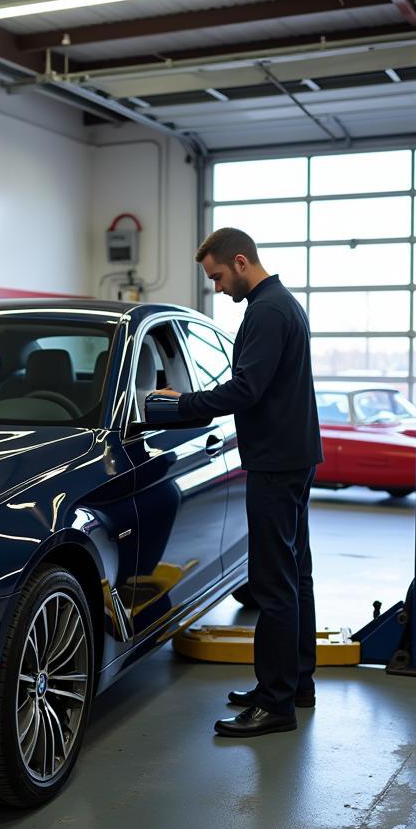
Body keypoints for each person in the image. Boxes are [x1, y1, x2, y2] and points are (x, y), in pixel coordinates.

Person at [153, 227, 323, 738]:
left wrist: (179, 405)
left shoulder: (268, 311)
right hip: (291, 456)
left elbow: (246, 389)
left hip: (275, 462)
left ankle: (275, 704)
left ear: (242, 261)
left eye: (219, 276)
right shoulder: (282, 305)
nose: (219, 288)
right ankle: (295, 684)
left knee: (274, 584)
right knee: (295, 575)